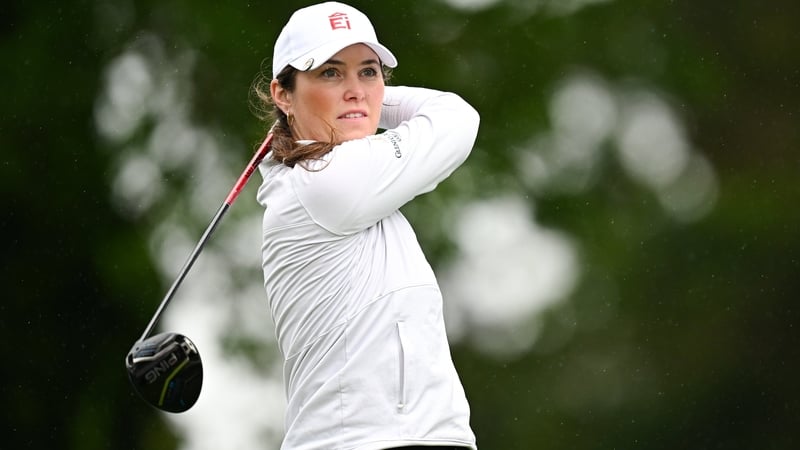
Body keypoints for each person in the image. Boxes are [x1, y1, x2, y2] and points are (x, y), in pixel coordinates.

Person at [252, 2, 480, 449]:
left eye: (369, 72)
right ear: (282, 93)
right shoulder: (328, 182)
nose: (355, 89)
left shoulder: (327, 183)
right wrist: (369, 102)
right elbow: (457, 117)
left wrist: (353, 101)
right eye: (331, 73)